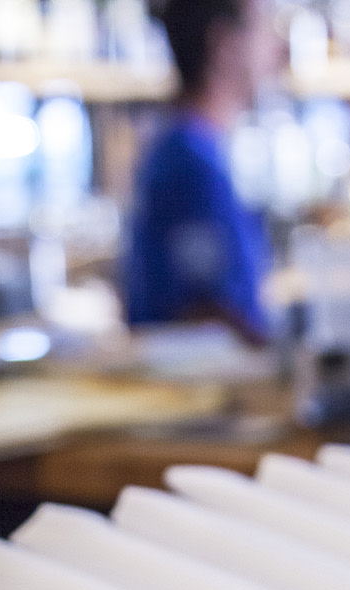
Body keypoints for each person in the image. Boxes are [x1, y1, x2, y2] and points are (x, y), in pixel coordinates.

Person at [124, 0, 283, 344]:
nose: (278, 48)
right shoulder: (188, 164)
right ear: (223, 43)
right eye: (264, 28)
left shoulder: (191, 149)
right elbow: (200, 315)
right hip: (199, 391)